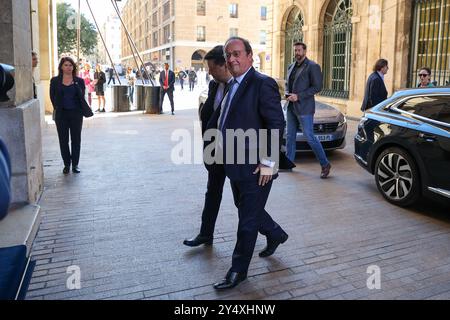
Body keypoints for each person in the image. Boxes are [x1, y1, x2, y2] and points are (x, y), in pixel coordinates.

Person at [207, 37, 288, 290]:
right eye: (228, 55)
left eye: (237, 53)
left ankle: (238, 270)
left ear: (250, 56)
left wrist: (268, 162)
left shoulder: (262, 84)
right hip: (234, 165)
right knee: (245, 209)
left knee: (247, 221)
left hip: (257, 168)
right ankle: (275, 233)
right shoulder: (232, 85)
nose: (232, 59)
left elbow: (277, 124)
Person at [183, 45, 233, 247]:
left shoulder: (240, 87)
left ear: (225, 65)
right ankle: (206, 233)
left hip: (237, 153)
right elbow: (208, 119)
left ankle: (273, 232)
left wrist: (267, 163)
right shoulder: (214, 86)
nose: (209, 72)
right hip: (215, 151)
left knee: (243, 201)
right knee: (212, 192)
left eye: (212, 68)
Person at [285, 42, 331, 179]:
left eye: (299, 50)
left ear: (305, 51)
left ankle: (325, 164)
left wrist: (298, 96)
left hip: (305, 108)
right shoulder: (291, 66)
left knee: (310, 137)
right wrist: (287, 94)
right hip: (291, 106)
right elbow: (290, 84)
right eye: (295, 50)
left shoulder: (313, 66)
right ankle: (289, 163)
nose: (297, 53)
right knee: (290, 136)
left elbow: (317, 87)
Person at [50, 57, 87, 174]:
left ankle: (75, 164)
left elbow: (81, 97)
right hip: (61, 115)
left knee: (76, 140)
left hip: (76, 114)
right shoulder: (55, 81)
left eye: (70, 65)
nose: (68, 67)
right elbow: (52, 97)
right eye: (66, 65)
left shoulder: (79, 81)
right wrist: (58, 107)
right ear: (61, 67)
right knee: (63, 140)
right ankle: (67, 164)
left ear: (73, 67)